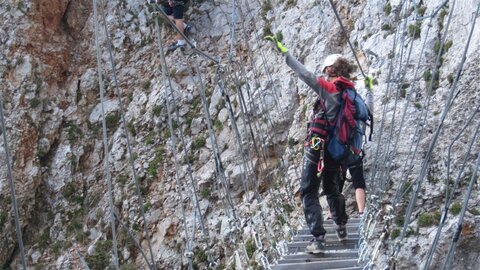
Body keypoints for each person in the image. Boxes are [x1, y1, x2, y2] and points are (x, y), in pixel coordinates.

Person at [265, 36, 350, 254]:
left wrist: (286, 55)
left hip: (318, 147)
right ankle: (341, 226)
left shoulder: (330, 89)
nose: (324, 71)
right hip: (337, 150)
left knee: (308, 190)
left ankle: (319, 239)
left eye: (326, 68)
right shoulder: (350, 92)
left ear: (331, 69)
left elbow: (306, 76)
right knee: (332, 188)